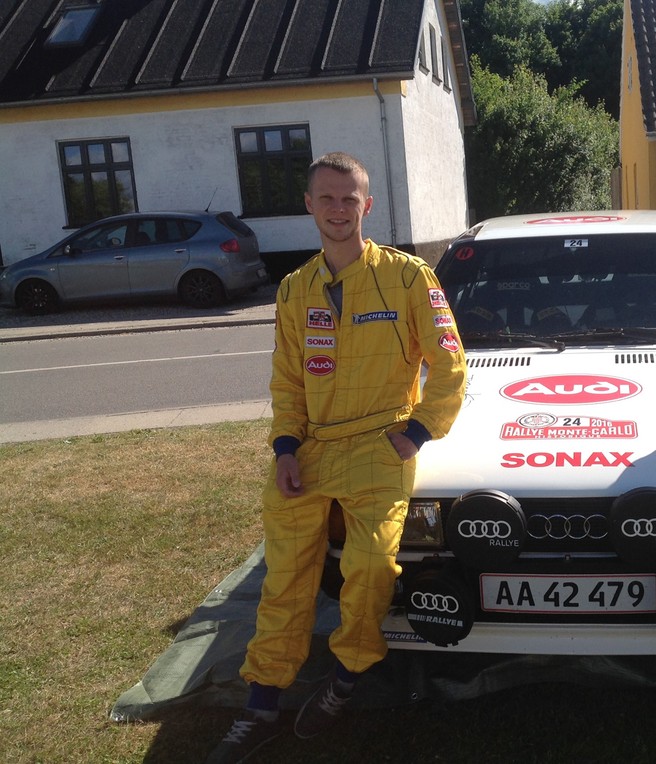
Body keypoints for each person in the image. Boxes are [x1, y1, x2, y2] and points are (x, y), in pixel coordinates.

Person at [208, 152, 467, 762]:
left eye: (349, 198)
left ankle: (347, 677)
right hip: (313, 449)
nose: (338, 209)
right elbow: (287, 381)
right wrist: (286, 447)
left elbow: (450, 365)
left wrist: (419, 431)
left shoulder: (409, 278)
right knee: (285, 580)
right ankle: (262, 706)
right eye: (326, 198)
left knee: (372, 567)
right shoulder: (296, 289)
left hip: (380, 448)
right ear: (309, 205)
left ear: (366, 206)